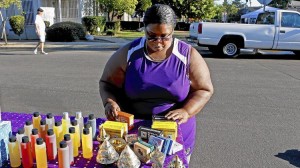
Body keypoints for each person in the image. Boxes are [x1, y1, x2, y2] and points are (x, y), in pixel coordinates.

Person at [99, 4, 213, 162]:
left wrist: (186, 111)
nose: (158, 42)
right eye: (151, 35)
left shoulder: (187, 55)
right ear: (144, 29)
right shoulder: (128, 53)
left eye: (165, 36)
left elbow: (204, 90)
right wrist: (109, 102)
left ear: (173, 30)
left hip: (173, 132)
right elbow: (107, 83)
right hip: (134, 130)